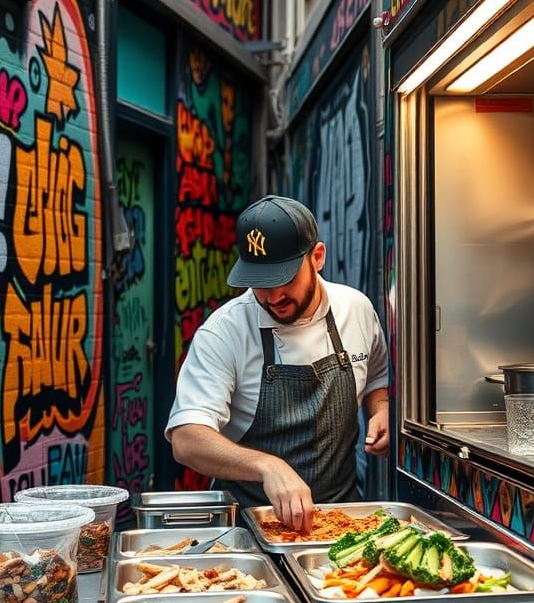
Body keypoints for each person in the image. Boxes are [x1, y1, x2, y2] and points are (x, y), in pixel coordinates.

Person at [165, 195, 390, 534]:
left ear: (317, 257)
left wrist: (381, 409)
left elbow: (375, 381)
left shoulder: (356, 310)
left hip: (340, 524)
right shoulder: (224, 331)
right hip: (248, 526)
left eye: (283, 278)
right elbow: (186, 439)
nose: (272, 296)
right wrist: (267, 466)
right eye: (260, 282)